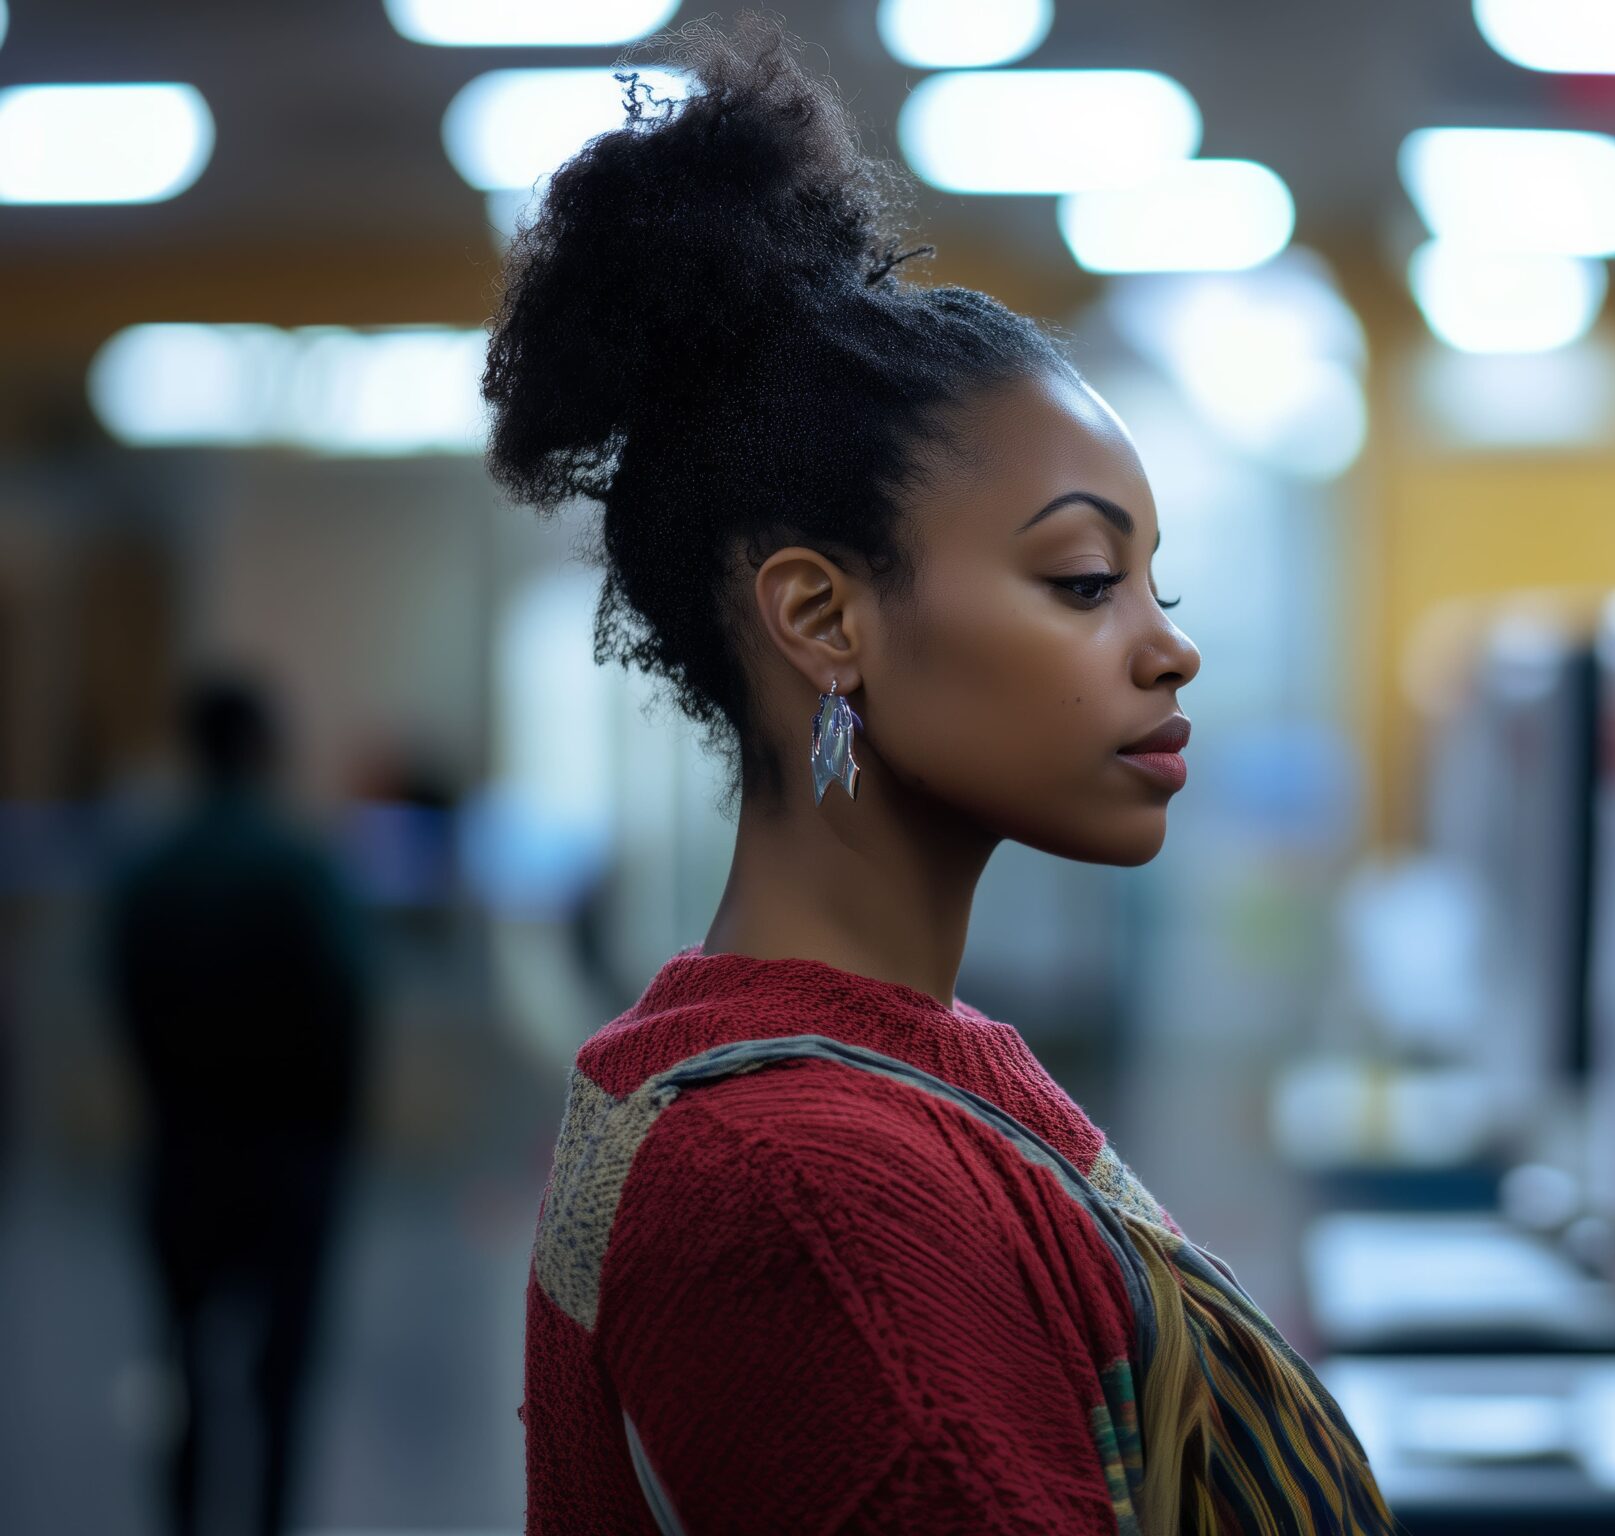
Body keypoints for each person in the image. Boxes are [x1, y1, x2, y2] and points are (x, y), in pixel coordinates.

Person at [486, 20, 1390, 1534]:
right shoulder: (799, 1190)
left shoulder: (877, 1064)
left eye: (1158, 586)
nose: (1169, 652)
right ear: (825, 619)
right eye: (1087, 579)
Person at [104, 677, 370, 1536]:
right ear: (261, 749)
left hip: (182, 1149)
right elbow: (343, 1012)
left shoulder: (148, 873)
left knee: (183, 1362)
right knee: (281, 1385)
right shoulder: (300, 868)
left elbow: (127, 1008)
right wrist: (334, 1141)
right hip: (288, 1157)